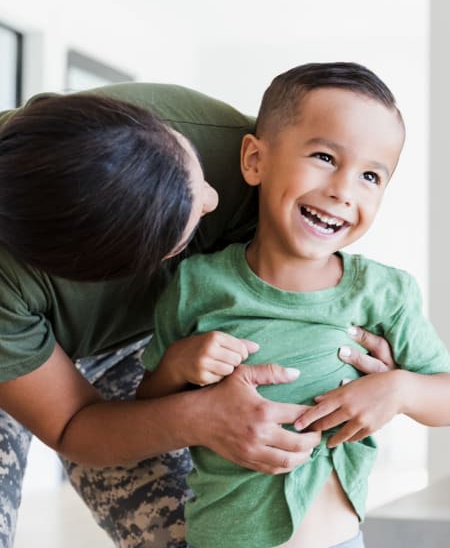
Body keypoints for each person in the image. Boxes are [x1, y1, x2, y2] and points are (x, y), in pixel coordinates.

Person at [0, 80, 392, 548]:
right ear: (117, 269)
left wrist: (356, 356)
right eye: (189, 228)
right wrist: (198, 417)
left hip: (155, 337)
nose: (212, 199)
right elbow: (70, 423)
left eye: (198, 173)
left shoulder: (227, 147)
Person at [138, 63, 450, 548]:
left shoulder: (384, 292)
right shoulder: (197, 282)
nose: (343, 190)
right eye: (325, 156)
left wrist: (401, 390)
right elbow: (149, 409)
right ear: (255, 160)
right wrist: (178, 364)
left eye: (371, 175)